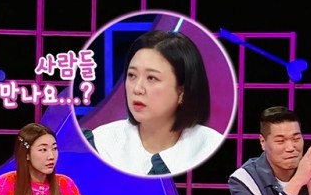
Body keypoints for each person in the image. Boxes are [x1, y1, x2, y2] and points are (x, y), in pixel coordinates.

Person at [87, 30, 224, 176]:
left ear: (182, 91)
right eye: (132, 75)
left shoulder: (210, 147)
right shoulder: (102, 143)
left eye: (151, 78)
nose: (137, 89)